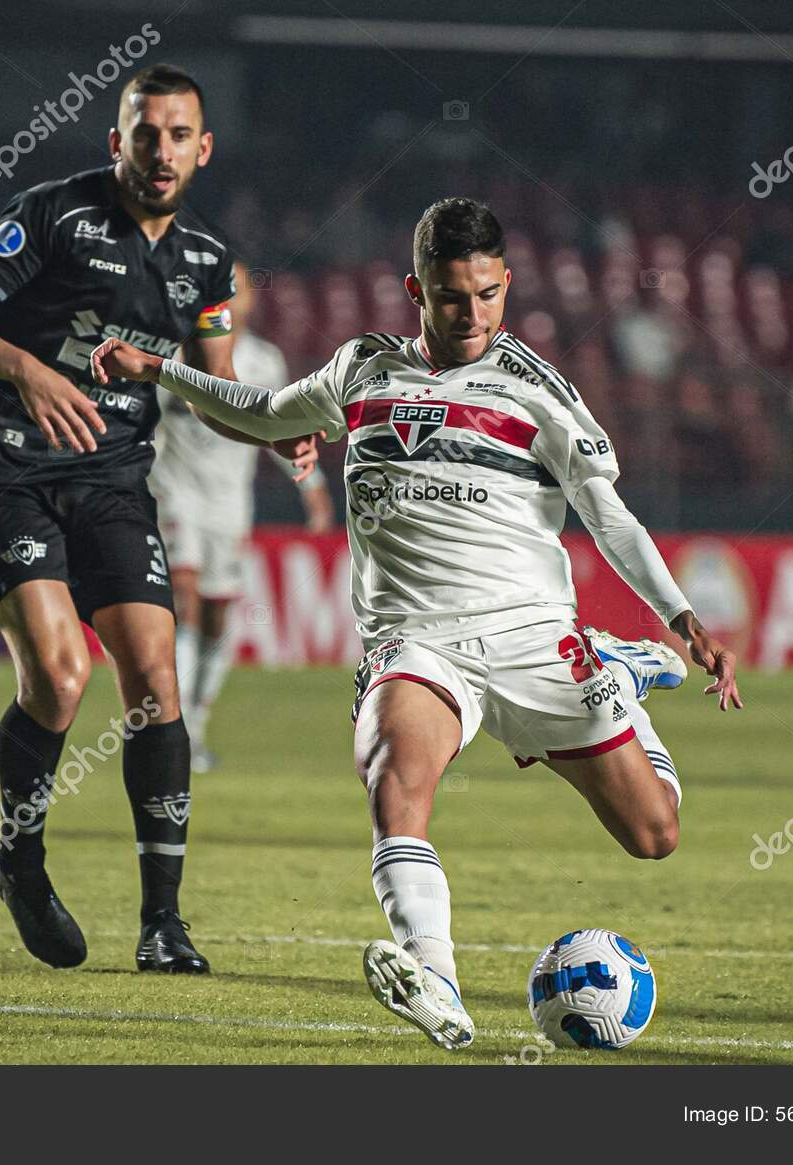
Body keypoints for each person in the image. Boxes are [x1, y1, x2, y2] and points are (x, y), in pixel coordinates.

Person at [91, 197, 743, 1047]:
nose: (470, 314)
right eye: (449, 296)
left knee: (655, 833)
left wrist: (681, 617)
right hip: (416, 641)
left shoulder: (538, 392)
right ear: (416, 290)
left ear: (505, 286)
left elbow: (607, 514)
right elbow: (261, 411)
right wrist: (161, 371)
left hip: (532, 637)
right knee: (395, 784)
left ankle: (616, 669)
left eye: (485, 295)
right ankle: (434, 977)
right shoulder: (361, 368)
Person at [0, 65, 316, 974]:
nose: (162, 150)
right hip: (4, 470)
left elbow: (215, 389)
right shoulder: (57, 214)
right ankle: (20, 860)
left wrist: (272, 432)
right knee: (61, 680)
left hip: (109, 478)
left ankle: (163, 924)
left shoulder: (208, 261)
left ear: (203, 149)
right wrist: (27, 369)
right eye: (147, 133)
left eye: (180, 135)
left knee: (153, 679)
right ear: (118, 141)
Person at [149, 259, 335, 772]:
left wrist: (313, 486)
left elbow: (276, 426)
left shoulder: (263, 361)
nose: (232, 297)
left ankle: (195, 730)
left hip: (229, 504)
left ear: (253, 300)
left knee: (216, 618)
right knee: (182, 600)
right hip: (173, 490)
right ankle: (172, 727)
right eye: (222, 289)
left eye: (240, 289)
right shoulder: (170, 352)